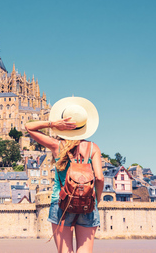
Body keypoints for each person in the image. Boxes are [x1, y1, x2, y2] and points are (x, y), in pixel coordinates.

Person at [25, 96, 104, 253]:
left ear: (64, 127)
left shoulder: (57, 146)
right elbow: (100, 178)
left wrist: (53, 124)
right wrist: (97, 200)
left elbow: (29, 127)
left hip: (61, 202)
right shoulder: (93, 147)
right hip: (88, 204)